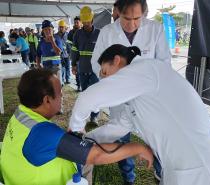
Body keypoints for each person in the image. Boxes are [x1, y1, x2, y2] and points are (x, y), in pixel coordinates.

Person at [70, 44, 210, 185]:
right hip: (179, 168)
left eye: (105, 72)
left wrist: (74, 132)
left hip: (203, 169)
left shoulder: (146, 69)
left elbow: (87, 98)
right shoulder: (136, 94)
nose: (105, 79)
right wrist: (84, 141)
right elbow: (117, 128)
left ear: (117, 60)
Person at [0, 68, 153, 185]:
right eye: (60, 93)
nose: (63, 97)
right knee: (89, 160)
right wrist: (137, 148)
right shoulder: (45, 133)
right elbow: (97, 155)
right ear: (47, 100)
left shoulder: (21, 113)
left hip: (15, 178)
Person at [90, 0, 171, 183]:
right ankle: (129, 177)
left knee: (156, 139)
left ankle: (161, 174)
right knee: (121, 139)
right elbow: (96, 63)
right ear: (118, 11)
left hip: (148, 100)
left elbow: (164, 63)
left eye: (137, 18)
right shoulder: (108, 32)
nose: (132, 24)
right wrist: (109, 76)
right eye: (127, 18)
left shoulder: (155, 29)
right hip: (119, 99)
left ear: (144, 13)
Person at [71, 6, 100, 124]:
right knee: (85, 94)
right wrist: (73, 64)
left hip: (96, 70)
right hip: (82, 69)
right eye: (84, 21)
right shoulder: (77, 34)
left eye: (88, 21)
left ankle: (94, 117)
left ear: (92, 19)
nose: (86, 23)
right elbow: (74, 50)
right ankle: (85, 115)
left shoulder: (99, 33)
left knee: (95, 94)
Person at [67, 16, 82, 91]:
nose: (76, 24)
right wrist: (72, 53)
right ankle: (79, 85)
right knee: (76, 70)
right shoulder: (71, 32)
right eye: (75, 22)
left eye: (77, 22)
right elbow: (69, 44)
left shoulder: (83, 31)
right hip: (75, 55)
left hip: (83, 55)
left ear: (80, 23)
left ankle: (83, 85)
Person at [55, 20, 71, 84]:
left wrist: (70, 53)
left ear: (65, 27)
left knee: (67, 67)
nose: (61, 28)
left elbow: (70, 44)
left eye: (62, 27)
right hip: (59, 55)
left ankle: (68, 79)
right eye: (60, 27)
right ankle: (62, 80)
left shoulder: (68, 35)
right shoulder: (55, 36)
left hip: (67, 54)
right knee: (61, 68)